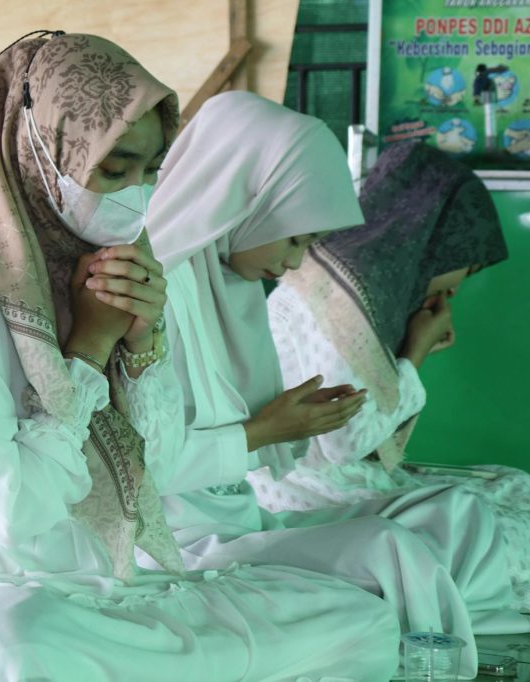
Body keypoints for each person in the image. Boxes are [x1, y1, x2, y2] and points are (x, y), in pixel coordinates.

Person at [0, 32, 400, 682]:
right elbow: (14, 513)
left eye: (151, 170)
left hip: (97, 579)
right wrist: (89, 347)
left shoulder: (108, 265)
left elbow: (152, 470)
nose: (137, 195)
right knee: (7, 648)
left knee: (355, 619)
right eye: (115, 169)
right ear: (36, 154)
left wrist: (142, 347)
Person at [145, 91, 529, 679]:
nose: (298, 263)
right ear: (247, 202)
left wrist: (286, 424)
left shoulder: (229, 290)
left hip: (237, 520)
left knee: (408, 546)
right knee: (404, 557)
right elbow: (135, 470)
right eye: (295, 238)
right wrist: (266, 430)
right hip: (177, 544)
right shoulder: (151, 299)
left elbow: (265, 448)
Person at [252, 140, 530, 612]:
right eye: (467, 261)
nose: (460, 283)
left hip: (322, 476)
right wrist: (414, 353)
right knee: (511, 533)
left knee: (513, 486)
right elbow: (345, 442)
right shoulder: (336, 300)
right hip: (300, 489)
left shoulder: (356, 288)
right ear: (433, 240)